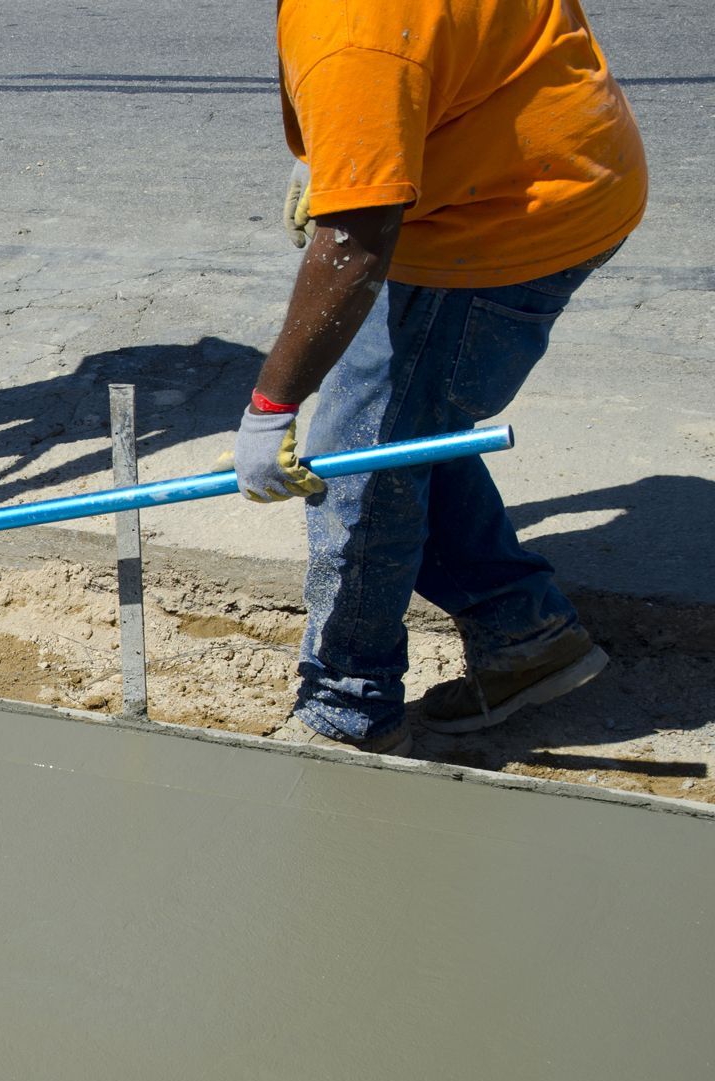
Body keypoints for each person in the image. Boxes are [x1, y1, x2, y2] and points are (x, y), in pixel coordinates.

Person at [234, 0, 647, 756]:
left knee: (356, 467)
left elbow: (355, 242)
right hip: (559, 166)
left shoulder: (351, 29)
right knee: (404, 436)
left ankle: (346, 710)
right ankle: (522, 631)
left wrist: (271, 408)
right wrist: (350, 141)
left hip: (506, 221)